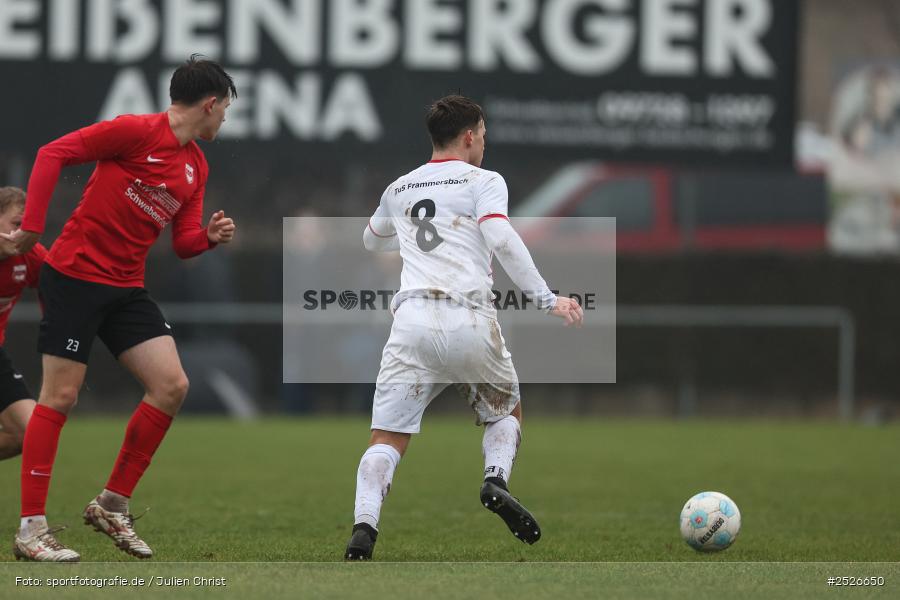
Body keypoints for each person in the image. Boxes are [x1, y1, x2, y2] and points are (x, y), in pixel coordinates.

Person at [1, 56, 237, 562]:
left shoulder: (197, 164)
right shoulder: (134, 131)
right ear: (210, 104)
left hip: (126, 287)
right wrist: (34, 229)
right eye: (225, 111)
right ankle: (30, 531)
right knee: (59, 397)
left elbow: (183, 244)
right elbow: (52, 154)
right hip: (75, 278)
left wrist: (209, 238)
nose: (225, 121)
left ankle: (111, 503)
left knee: (171, 385)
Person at [344, 95, 583, 560]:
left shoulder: (400, 187)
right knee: (505, 414)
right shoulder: (484, 181)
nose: (484, 145)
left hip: (410, 321)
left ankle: (363, 532)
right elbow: (501, 238)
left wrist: (407, 227)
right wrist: (547, 298)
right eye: (484, 136)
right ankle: (495, 479)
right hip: (469, 317)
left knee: (387, 438)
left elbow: (370, 240)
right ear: (470, 136)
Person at [0, 187, 45, 465]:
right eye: (17, 225)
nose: (22, 234)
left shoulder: (32, 256)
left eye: (29, 227)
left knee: (31, 433)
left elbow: (60, 296)